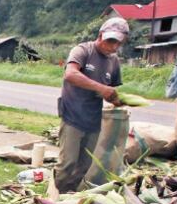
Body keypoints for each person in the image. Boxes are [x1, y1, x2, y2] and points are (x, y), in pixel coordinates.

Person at [54, 17, 129, 192]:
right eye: (110, 41)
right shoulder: (83, 50)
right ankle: (56, 195)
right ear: (101, 35)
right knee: (68, 163)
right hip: (72, 115)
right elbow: (70, 74)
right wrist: (100, 88)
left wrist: (118, 100)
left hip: (94, 120)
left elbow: (111, 92)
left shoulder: (113, 62)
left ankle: (68, 196)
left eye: (118, 43)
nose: (113, 46)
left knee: (84, 165)